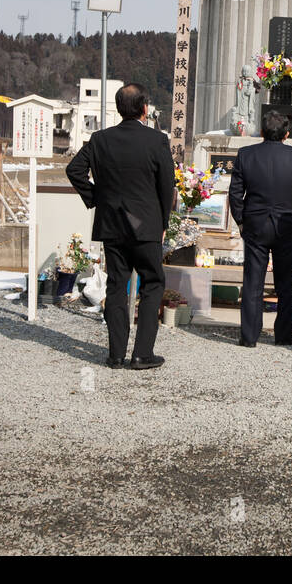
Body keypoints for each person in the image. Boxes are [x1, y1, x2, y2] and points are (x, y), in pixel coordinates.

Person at [66, 83, 175, 370]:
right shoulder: (157, 140)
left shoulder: (99, 139)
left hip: (112, 224)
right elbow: (167, 186)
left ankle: (115, 355)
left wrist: (96, 199)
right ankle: (142, 354)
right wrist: (163, 222)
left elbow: (73, 170)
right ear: (144, 108)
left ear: (118, 109)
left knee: (116, 285)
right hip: (146, 225)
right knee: (152, 284)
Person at [228, 110, 292, 347]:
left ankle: (249, 336)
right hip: (288, 224)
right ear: (287, 133)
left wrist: (241, 220)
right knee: (286, 283)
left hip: (255, 224)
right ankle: (283, 335)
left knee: (253, 281)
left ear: (263, 132)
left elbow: (235, 192)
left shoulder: (246, 154)